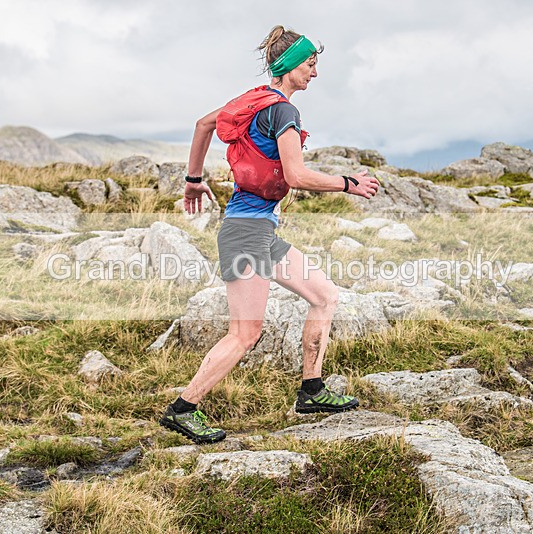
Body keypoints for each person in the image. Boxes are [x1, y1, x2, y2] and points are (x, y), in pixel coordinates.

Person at [159, 25, 380, 444]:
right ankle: (183, 409)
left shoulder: (250, 101)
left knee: (325, 295)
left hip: (258, 231)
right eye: (311, 65)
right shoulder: (284, 112)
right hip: (246, 234)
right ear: (290, 65)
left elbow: (203, 124)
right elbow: (295, 175)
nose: (315, 73)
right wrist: (347, 183)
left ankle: (311, 390)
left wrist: (193, 178)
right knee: (245, 333)